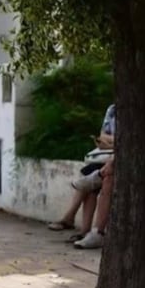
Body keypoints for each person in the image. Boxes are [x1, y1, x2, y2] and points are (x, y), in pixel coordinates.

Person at [47, 104, 115, 243]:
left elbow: (132, 141)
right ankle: (84, 230)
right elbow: (103, 136)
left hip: (117, 158)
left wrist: (111, 142)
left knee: (91, 180)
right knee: (88, 179)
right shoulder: (113, 109)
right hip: (108, 154)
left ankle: (71, 218)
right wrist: (112, 142)